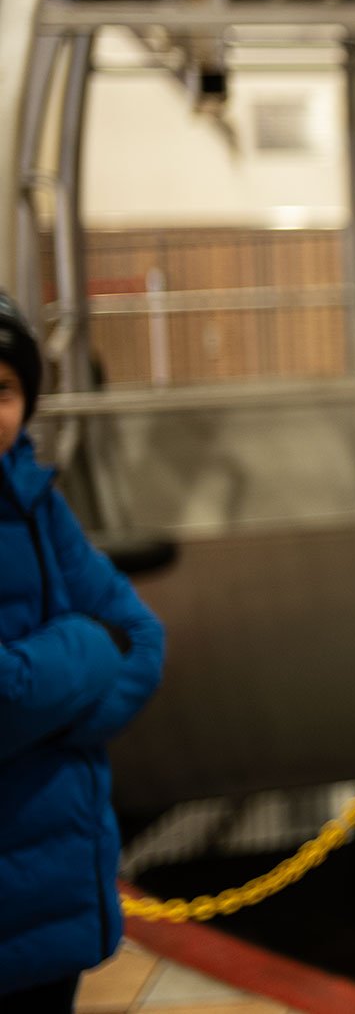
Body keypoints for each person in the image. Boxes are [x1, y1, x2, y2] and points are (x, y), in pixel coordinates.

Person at [0, 291, 165, 1011]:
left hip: (55, 894)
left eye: (2, 389)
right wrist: (86, 650)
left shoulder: (35, 500)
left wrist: (53, 719)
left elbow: (142, 635)